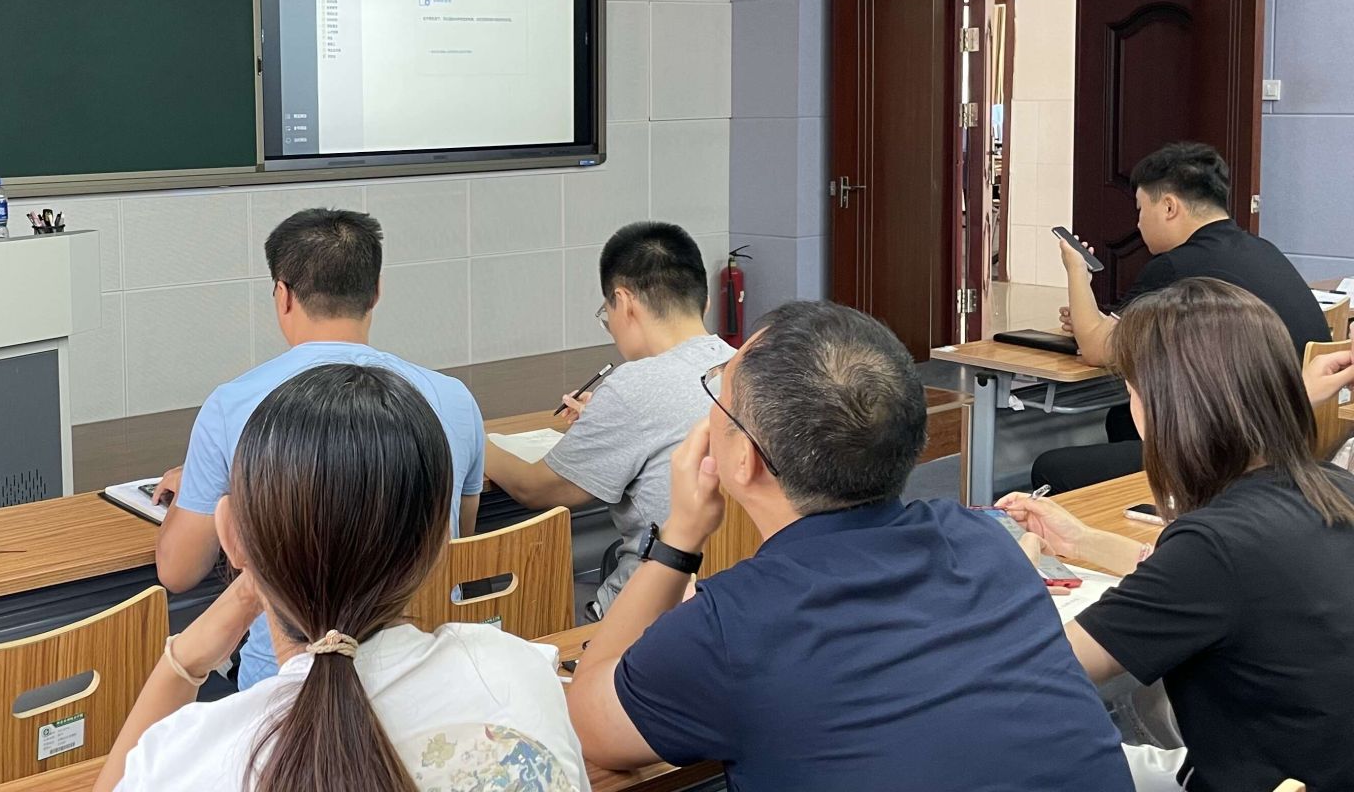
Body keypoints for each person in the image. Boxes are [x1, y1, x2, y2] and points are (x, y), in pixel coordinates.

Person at [566, 301, 1132, 792]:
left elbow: (589, 724)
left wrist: (679, 540)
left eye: (720, 390)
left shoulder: (730, 626)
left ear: (744, 459)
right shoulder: (984, 542)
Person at [96, 364, 586, 792]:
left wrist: (183, 660)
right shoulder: (519, 674)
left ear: (231, 536)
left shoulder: (188, 756)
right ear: (441, 541)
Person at [1002, 279, 1354, 792]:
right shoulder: (1333, 488)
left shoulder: (1213, 548)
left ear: (1164, 406)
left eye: (1131, 393)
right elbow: (1217, 586)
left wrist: (1012, 577)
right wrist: (1080, 543)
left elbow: (1034, 670)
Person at [152, 209, 484, 690]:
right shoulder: (453, 398)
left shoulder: (233, 404)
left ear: (282, 295)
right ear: (375, 291)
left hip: (283, 683)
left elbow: (178, 571)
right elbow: (456, 539)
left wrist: (204, 483)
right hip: (425, 675)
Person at [1037, 142, 1328, 491]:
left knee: (1051, 468)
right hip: (1297, 435)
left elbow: (1097, 351)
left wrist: (1075, 270)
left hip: (1238, 453)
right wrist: (1099, 322)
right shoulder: (1261, 249)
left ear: (1169, 207)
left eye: (1141, 209)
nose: (1138, 223)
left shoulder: (1176, 266)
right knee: (1122, 420)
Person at [482, 222, 732, 617]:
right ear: (704, 304)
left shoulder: (635, 385)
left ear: (624, 301)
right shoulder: (746, 368)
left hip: (648, 615)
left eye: (607, 313)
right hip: (725, 599)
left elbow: (536, 489)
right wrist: (604, 417)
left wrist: (477, 440)